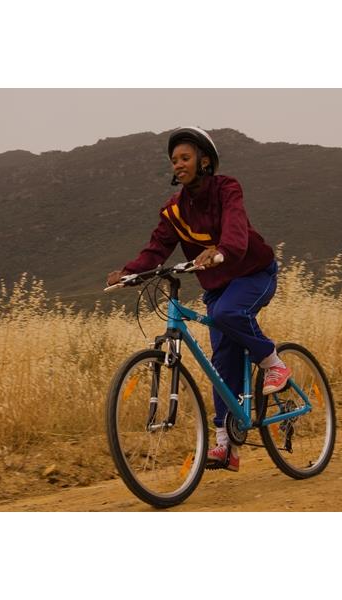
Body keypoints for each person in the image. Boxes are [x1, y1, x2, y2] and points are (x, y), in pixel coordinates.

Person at [106, 126, 291, 472]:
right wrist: (129, 273)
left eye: (185, 158)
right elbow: (156, 249)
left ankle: (273, 362)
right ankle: (226, 445)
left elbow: (235, 228)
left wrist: (221, 251)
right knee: (221, 362)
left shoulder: (227, 189)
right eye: (174, 160)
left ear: (204, 161)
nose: (178, 164)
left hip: (253, 273)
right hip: (218, 287)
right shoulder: (174, 210)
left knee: (226, 314)